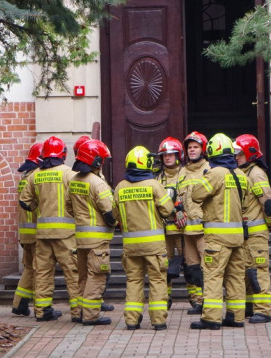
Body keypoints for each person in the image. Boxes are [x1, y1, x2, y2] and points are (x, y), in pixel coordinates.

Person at [189, 133, 254, 330]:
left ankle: (211, 318)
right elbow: (245, 201)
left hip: (217, 238)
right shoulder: (242, 176)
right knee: (235, 277)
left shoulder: (216, 173)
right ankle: (235, 316)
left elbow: (196, 195)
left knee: (213, 275)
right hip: (237, 237)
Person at [19, 136, 82, 322]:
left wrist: (38, 207)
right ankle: (78, 312)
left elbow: (24, 202)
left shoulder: (35, 175)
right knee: (73, 272)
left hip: (43, 234)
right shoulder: (70, 174)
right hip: (66, 234)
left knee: (42, 273)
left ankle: (42, 311)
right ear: (63, 154)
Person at [113, 145, 174, 331]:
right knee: (157, 280)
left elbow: (115, 215)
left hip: (131, 247)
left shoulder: (120, 187)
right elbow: (168, 210)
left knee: (133, 281)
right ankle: (158, 321)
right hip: (154, 246)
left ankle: (131, 320)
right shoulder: (154, 185)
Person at [69, 139, 115, 325]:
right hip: (98, 242)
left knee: (83, 278)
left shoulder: (73, 181)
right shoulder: (98, 183)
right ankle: (91, 315)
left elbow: (68, 207)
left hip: (80, 240)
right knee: (96, 278)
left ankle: (80, 312)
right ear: (96, 161)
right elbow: (110, 213)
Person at [234, 134, 271, 324]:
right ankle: (250, 306)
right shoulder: (242, 172)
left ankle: (263, 311)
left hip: (256, 234)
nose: (237, 156)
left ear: (250, 153)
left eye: (240, 153)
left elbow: (268, 204)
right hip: (244, 233)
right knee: (246, 271)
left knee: (258, 270)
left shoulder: (256, 174)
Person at [176, 131, 210, 314]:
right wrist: (178, 209)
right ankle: (198, 302)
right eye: (189, 148)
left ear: (202, 149)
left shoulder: (209, 169)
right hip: (187, 229)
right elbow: (177, 196)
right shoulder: (182, 171)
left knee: (207, 267)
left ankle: (208, 301)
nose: (192, 150)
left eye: (195, 147)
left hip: (205, 229)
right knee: (192, 267)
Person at [11, 142, 42, 316]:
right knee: (40, 271)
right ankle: (41, 307)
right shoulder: (37, 177)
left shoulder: (25, 177)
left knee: (30, 269)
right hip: (38, 233)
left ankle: (19, 304)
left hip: (25, 234)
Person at [156, 137, 185, 306]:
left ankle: (196, 299)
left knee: (189, 264)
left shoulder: (185, 174)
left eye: (171, 154)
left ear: (177, 155)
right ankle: (165, 297)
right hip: (163, 229)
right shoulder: (157, 177)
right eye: (164, 155)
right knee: (163, 264)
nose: (167, 158)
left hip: (182, 229)